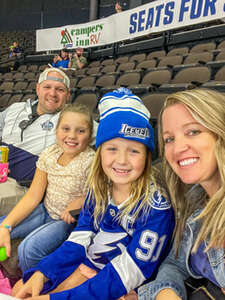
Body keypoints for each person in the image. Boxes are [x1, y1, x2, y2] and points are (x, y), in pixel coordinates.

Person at [12, 88, 175, 300]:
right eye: (112, 149)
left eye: (134, 150)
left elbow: (127, 274)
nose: (122, 160)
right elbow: (79, 239)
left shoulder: (156, 209)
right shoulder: (99, 190)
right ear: (99, 153)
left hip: (118, 285)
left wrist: (57, 296)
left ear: (147, 156)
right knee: (21, 289)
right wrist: (43, 272)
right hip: (86, 266)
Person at [138, 88, 225, 300]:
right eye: (169, 139)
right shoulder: (195, 199)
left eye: (193, 132)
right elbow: (176, 262)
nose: (177, 149)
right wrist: (166, 293)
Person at [0, 103, 95, 273]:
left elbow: (99, 196)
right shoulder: (49, 154)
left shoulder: (91, 161)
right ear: (56, 131)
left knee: (28, 250)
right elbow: (33, 196)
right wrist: (6, 226)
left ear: (90, 136)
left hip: (66, 221)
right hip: (45, 210)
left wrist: (81, 201)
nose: (72, 136)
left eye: (81, 131)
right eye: (66, 129)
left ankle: (33, 284)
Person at [0, 67, 71, 215]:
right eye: (47, 87)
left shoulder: (73, 119)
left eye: (60, 89)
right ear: (38, 89)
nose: (52, 93)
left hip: (22, 187)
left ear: (68, 95)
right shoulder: (15, 108)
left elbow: (110, 133)